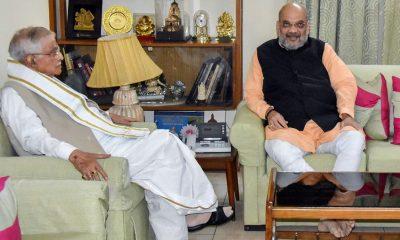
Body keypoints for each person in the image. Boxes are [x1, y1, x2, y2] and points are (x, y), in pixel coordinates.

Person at [1, 26, 234, 240]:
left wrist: (106, 117)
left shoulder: (43, 81)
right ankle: (197, 213)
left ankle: (190, 218)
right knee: (165, 143)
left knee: (160, 173)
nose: (60, 56)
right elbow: (33, 139)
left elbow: (75, 112)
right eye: (52, 52)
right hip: (89, 150)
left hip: (97, 138)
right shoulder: (14, 93)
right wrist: (74, 154)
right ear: (31, 60)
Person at [245, 3, 365, 238]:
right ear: (278, 26)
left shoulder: (323, 49)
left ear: (307, 26)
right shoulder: (262, 53)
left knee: (354, 138)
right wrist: (268, 112)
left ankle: (335, 207)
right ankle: (328, 210)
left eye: (299, 25)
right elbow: (252, 95)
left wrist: (347, 115)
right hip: (291, 131)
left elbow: (345, 82)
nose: (293, 31)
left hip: (327, 127)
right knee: (274, 146)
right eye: (287, 24)